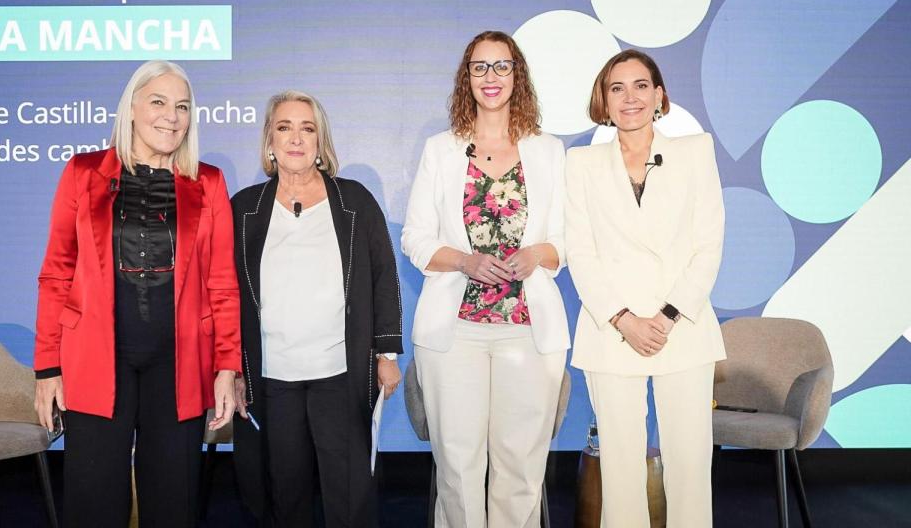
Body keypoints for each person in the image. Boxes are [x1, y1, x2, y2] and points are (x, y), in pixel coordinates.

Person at [33, 60, 241, 528]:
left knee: (173, 503)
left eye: (182, 106)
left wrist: (227, 367)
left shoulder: (208, 183)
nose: (172, 116)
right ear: (131, 108)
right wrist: (47, 367)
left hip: (179, 365)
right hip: (94, 361)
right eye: (159, 102)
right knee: (93, 503)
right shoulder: (82, 173)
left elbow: (222, 283)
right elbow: (56, 274)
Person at [402, 30, 570, 527]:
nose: (490, 77)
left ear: (517, 76)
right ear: (466, 78)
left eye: (501, 66)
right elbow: (415, 238)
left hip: (528, 328)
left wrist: (537, 253)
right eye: (480, 67)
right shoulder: (441, 149)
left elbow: (570, 239)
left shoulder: (549, 151)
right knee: (457, 466)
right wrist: (464, 261)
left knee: (521, 467)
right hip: (454, 333)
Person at [564, 49, 726, 527]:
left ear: (659, 95)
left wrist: (666, 317)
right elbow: (581, 252)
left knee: (691, 465)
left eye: (640, 86)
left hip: (683, 330)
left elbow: (708, 244)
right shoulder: (581, 164)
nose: (629, 97)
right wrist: (624, 320)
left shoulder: (695, 152)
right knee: (619, 468)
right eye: (617, 88)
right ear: (604, 100)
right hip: (611, 332)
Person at [231, 90, 403, 527]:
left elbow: (383, 277)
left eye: (307, 128)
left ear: (320, 141)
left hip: (339, 375)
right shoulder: (244, 209)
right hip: (274, 379)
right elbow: (228, 294)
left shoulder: (355, 201)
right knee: (285, 496)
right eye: (284, 127)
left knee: (349, 495)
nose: (295, 138)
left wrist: (386, 354)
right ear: (269, 140)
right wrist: (231, 369)